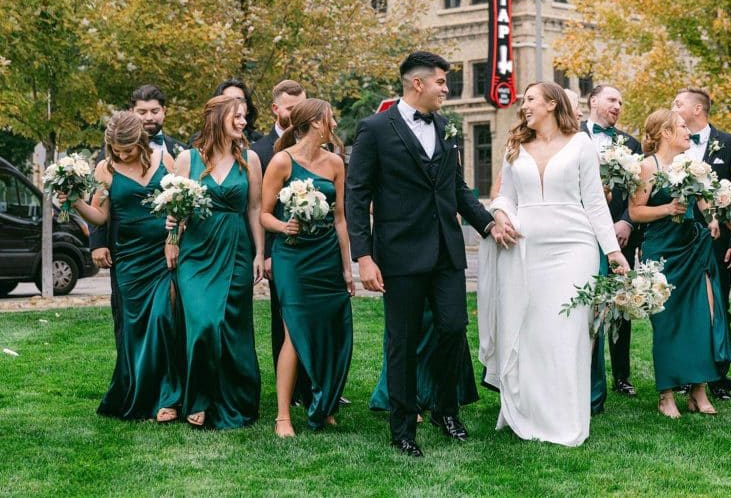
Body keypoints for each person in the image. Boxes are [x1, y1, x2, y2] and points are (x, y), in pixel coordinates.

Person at [346, 51, 497, 458]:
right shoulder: (375, 129)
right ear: (418, 83)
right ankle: (402, 428)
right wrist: (364, 256)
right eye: (441, 82)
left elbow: (457, 187)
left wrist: (487, 225)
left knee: (453, 328)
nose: (446, 90)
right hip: (398, 254)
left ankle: (445, 410)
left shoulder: (446, 127)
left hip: (446, 251)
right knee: (403, 341)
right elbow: (357, 195)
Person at [479, 81, 630, 447]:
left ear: (551, 104)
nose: (524, 105)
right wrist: (500, 214)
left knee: (567, 331)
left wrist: (612, 252)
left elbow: (595, 202)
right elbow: (505, 196)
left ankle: (566, 418)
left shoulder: (580, 144)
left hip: (574, 247)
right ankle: (528, 412)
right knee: (529, 330)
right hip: (526, 248)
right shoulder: (515, 145)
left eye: (531, 99)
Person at [58, 111, 181, 422]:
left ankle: (168, 397)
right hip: (128, 259)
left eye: (128, 149)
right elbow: (100, 216)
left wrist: (174, 237)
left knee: (163, 318)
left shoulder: (166, 161)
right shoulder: (105, 168)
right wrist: (75, 201)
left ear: (140, 141)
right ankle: (140, 395)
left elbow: (179, 207)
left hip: (161, 256)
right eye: (116, 149)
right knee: (134, 327)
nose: (122, 155)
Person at [166, 94, 265, 430]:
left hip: (236, 248)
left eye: (244, 116)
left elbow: (254, 208)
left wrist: (259, 253)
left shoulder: (250, 159)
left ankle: (235, 398)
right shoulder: (187, 160)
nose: (243, 122)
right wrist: (172, 238)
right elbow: (176, 208)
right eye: (236, 116)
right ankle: (197, 397)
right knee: (204, 324)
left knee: (232, 326)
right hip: (197, 252)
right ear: (217, 117)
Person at [629, 109, 731, 418]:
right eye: (683, 127)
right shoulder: (648, 166)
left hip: (692, 248)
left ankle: (698, 391)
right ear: (666, 132)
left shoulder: (690, 164)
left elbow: (702, 199)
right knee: (668, 323)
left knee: (699, 319)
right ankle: (666, 395)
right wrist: (667, 209)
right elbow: (635, 211)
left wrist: (713, 216)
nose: (689, 132)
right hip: (662, 251)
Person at [260, 99, 354, 437]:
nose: (334, 123)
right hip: (293, 257)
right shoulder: (281, 162)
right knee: (294, 332)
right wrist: (282, 226)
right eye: (330, 118)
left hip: (327, 256)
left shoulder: (336, 163)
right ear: (315, 122)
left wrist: (347, 268)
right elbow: (264, 214)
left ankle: (324, 404)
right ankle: (283, 416)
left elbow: (340, 218)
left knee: (332, 330)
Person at [89, 85, 187, 351]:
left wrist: (174, 237)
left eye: (154, 111)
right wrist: (97, 242)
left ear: (164, 111)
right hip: (127, 251)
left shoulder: (174, 152)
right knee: (129, 319)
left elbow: (182, 202)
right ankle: (134, 371)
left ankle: (168, 373)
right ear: (132, 113)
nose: (149, 117)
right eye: (142, 112)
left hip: (164, 251)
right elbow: (99, 207)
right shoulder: (108, 158)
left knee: (167, 315)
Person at [672, 87, 731, 400]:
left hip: (718, 241)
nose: (673, 108)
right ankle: (685, 374)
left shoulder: (730, 144)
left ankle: (718, 376)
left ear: (697, 109)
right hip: (679, 240)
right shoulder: (672, 142)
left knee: (719, 306)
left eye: (678, 103)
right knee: (683, 306)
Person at [581, 85, 642, 400]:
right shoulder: (572, 137)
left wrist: (627, 221)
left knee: (620, 305)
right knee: (582, 302)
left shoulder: (631, 144)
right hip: (580, 231)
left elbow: (638, 190)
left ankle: (621, 375)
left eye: (621, 101)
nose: (618, 105)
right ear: (593, 101)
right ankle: (581, 370)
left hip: (619, 233)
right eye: (612, 99)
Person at [251, 80, 308, 404]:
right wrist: (268, 253)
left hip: (314, 247)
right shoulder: (260, 150)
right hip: (280, 249)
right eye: (291, 109)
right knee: (283, 317)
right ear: (276, 109)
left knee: (314, 315)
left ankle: (316, 383)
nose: (298, 114)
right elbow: (260, 207)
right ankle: (291, 387)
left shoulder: (318, 145)